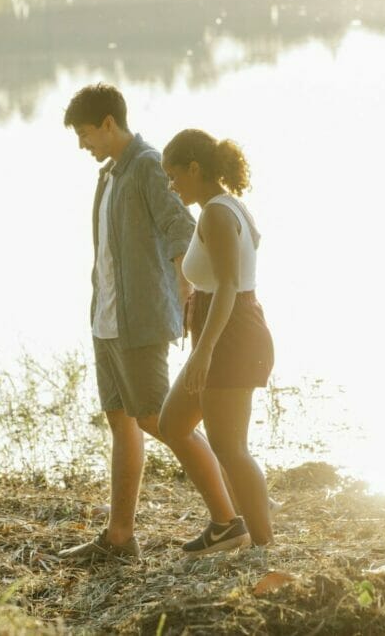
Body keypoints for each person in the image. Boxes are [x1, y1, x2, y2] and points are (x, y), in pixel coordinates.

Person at [57, 85, 246, 561]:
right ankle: (120, 538)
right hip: (107, 319)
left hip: (139, 319)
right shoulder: (109, 175)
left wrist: (186, 294)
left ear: (108, 123)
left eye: (85, 134)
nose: (83, 145)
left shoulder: (145, 166)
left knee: (160, 420)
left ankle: (229, 520)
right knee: (123, 421)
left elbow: (181, 230)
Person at [158, 128, 276, 552]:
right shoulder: (222, 207)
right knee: (173, 423)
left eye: (175, 177)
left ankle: (262, 544)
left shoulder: (217, 213)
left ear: (195, 168)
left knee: (231, 447)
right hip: (219, 327)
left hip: (230, 334)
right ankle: (230, 524)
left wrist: (204, 350)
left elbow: (228, 286)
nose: (172, 187)